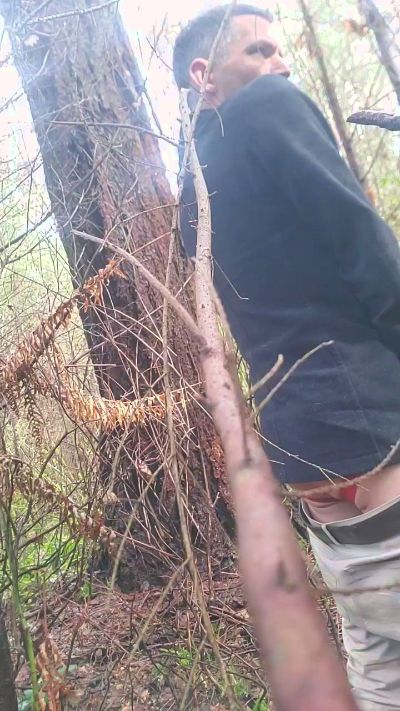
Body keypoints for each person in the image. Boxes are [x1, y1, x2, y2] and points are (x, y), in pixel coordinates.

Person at [173, 5, 400, 710]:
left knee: (381, 656)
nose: (281, 64)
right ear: (204, 74)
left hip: (305, 450)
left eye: (280, 51)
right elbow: (362, 243)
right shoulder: (270, 107)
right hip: (374, 420)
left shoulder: (193, 187)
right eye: (259, 50)